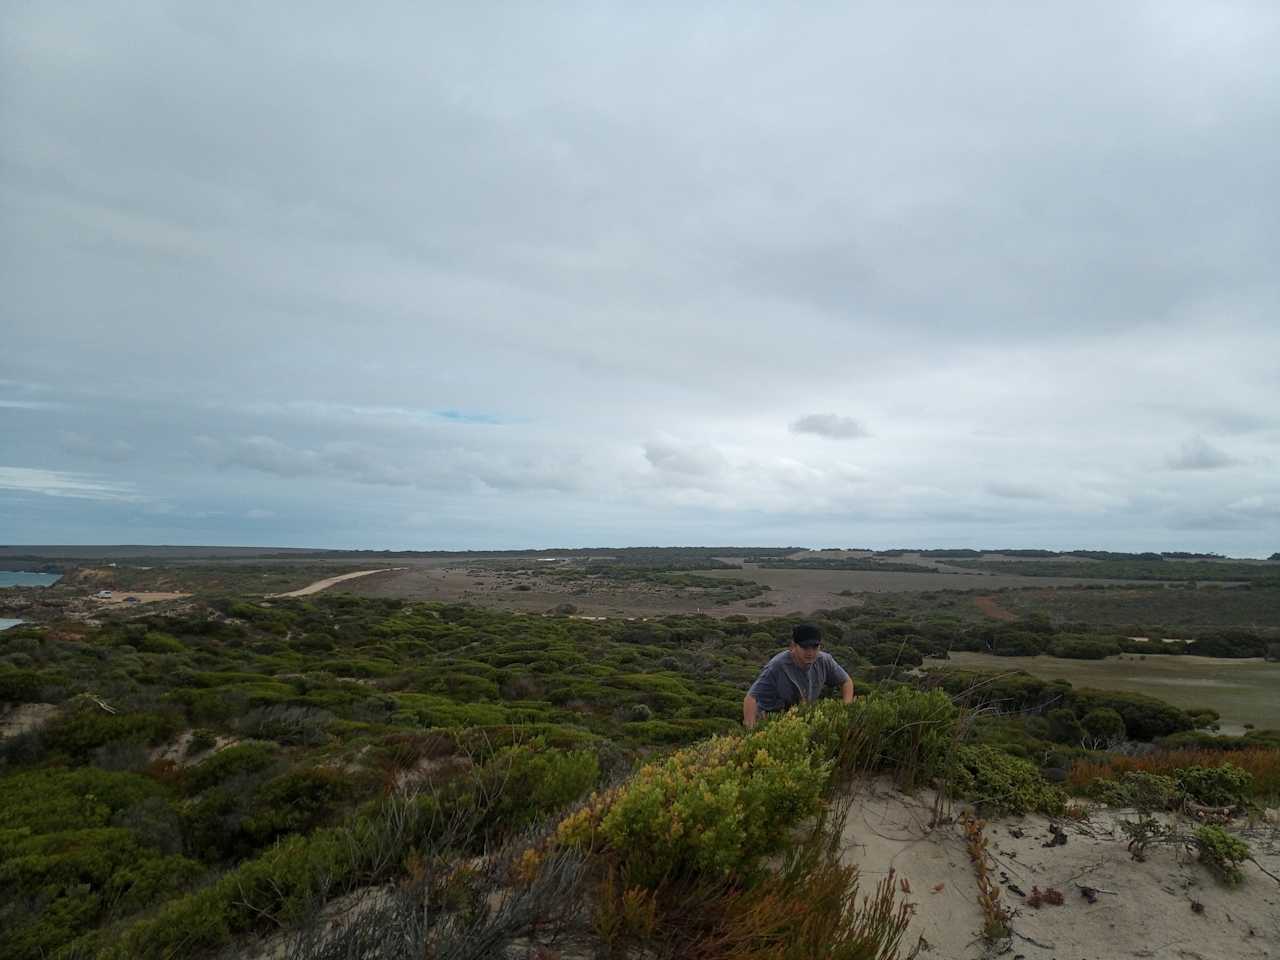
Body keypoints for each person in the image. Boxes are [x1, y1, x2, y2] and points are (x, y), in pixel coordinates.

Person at [742, 622, 854, 729]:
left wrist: (846, 709)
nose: (810, 653)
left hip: (800, 718)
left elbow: (846, 681)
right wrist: (751, 730)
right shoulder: (777, 666)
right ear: (793, 646)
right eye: (805, 647)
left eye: (815, 647)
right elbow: (751, 698)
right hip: (770, 720)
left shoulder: (824, 661)